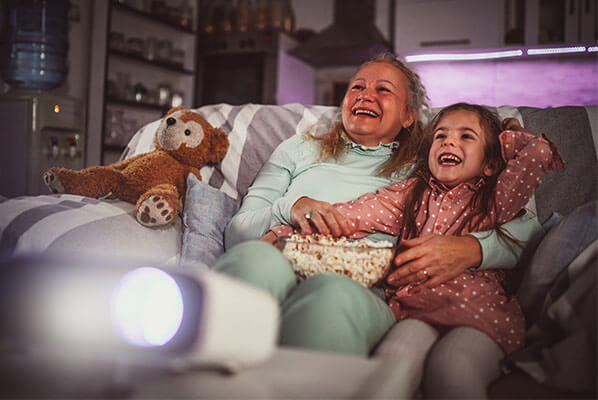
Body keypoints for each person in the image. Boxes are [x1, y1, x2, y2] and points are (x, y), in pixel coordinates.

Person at [215, 54, 544, 357]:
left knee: (333, 296)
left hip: (365, 289)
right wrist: (291, 207)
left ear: (408, 116)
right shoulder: (298, 149)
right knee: (254, 259)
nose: (364, 95)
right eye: (357, 86)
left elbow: (523, 226)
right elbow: (238, 231)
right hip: (283, 256)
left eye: (383, 90)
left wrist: (470, 248)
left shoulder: (429, 164)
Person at [272, 103, 564, 398]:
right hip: (414, 311)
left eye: (466, 137)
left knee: (452, 366)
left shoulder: (496, 200)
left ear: (489, 164)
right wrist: (283, 235)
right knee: (391, 365)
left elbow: (538, 152)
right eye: (441, 136)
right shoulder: (410, 195)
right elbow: (349, 216)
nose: (449, 142)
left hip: (480, 314)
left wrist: (509, 134)